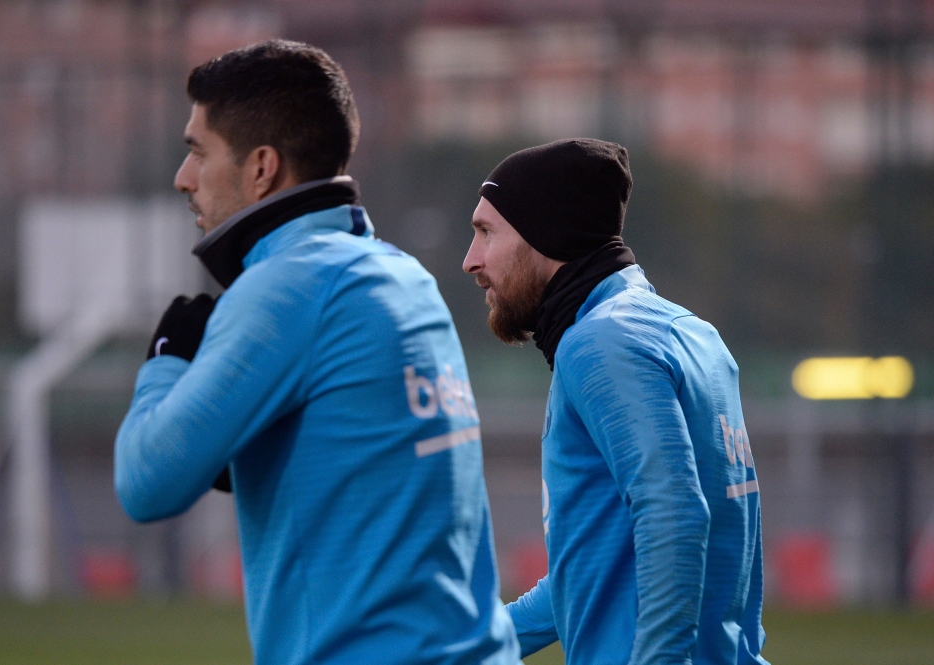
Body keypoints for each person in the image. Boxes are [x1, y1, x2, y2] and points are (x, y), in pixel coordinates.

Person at [115, 40, 519, 665]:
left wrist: (166, 360)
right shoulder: (404, 279)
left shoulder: (286, 288)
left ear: (261, 168)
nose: (183, 176)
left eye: (198, 151)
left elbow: (146, 484)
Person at [462, 139, 769, 665]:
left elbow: (674, 517)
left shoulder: (598, 344)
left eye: (487, 232)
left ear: (546, 235)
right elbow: (595, 571)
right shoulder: (690, 334)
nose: (471, 261)